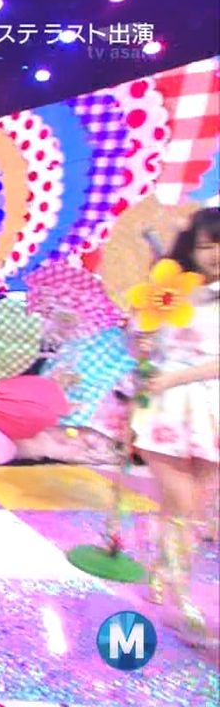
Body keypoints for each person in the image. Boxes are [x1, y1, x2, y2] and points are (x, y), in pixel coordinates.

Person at [130, 206, 219, 646]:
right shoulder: (169, 291)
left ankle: (161, 567)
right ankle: (181, 599)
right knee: (181, 500)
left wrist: (173, 377)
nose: (215, 254)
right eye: (206, 245)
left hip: (210, 408)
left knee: (192, 505)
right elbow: (138, 343)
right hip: (165, 409)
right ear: (191, 248)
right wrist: (142, 345)